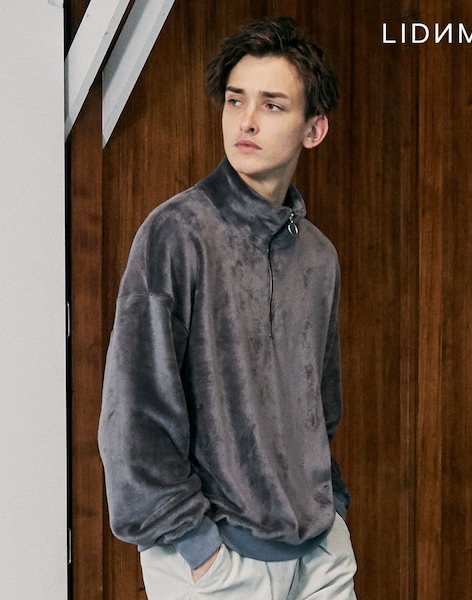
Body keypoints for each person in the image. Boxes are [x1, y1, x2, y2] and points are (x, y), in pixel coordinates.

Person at [98, 16, 357, 599]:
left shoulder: (318, 256)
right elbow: (133, 414)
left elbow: (320, 406)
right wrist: (196, 547)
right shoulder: (176, 233)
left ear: (313, 129)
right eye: (236, 100)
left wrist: (332, 511)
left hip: (318, 555)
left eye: (272, 105)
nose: (246, 120)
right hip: (214, 562)